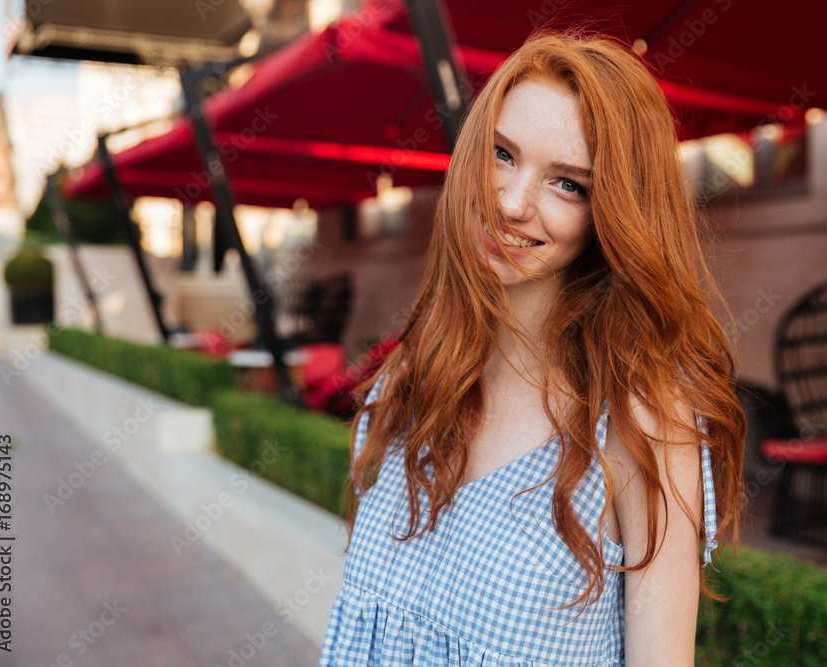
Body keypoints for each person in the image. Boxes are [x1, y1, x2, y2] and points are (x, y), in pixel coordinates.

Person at [319, 28, 745, 667]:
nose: (512, 203)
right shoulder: (416, 367)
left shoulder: (639, 418)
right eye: (503, 154)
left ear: (615, 213)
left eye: (568, 184)